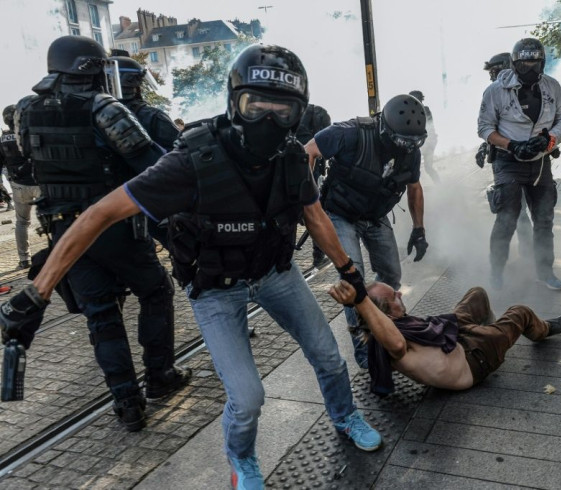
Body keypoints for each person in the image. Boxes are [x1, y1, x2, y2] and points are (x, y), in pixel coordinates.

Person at [1, 43, 382, 489]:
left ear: (298, 113)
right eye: (254, 105)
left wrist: (349, 271)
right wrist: (37, 293)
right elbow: (99, 213)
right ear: (233, 101)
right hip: (215, 288)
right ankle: (242, 461)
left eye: (283, 110)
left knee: (329, 358)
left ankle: (344, 415)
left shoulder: (293, 158)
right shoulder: (191, 162)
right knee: (247, 398)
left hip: (276, 274)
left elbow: (314, 215)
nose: (268, 120)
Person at [12, 36, 191, 432]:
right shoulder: (103, 106)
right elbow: (149, 163)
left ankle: (127, 402)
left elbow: (28, 158)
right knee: (156, 290)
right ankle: (159, 376)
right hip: (113, 225)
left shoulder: (25, 110)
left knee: (101, 314)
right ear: (89, 68)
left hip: (63, 232)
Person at [304, 94, 429, 369]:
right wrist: (306, 199)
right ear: (385, 130)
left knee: (392, 275)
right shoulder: (350, 133)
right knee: (354, 280)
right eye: (402, 143)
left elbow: (415, 188)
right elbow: (308, 151)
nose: (406, 150)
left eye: (413, 144)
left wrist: (419, 230)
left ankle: (389, 332)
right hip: (339, 214)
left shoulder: (411, 151)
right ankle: (367, 352)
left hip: (375, 215)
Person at [328, 279, 561, 394]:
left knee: (477, 293)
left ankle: (495, 334)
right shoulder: (390, 342)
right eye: (394, 296)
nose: (401, 293)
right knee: (520, 312)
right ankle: (542, 330)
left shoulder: (397, 324)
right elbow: (396, 344)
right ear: (384, 313)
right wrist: (360, 302)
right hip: (475, 360)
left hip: (455, 338)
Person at [477, 37, 561, 291]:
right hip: (508, 163)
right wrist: (511, 144)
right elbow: (484, 127)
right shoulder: (496, 90)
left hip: (540, 163)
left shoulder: (552, 87)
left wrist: (548, 141)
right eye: (524, 63)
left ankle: (545, 271)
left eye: (535, 62)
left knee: (544, 219)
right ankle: (497, 271)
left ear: (543, 62)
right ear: (515, 63)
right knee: (507, 218)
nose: (530, 68)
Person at [111, 54, 180, 249]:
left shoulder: (94, 116)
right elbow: (182, 154)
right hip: (152, 200)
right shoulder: (151, 116)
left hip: (114, 203)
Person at [477, 53, 533, 259]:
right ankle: (526, 255)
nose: (491, 76)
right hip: (504, 160)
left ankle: (527, 256)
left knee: (515, 211)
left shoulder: (520, 91)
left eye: (494, 70)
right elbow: (490, 126)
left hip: (518, 161)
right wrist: (485, 147)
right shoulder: (495, 91)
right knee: (514, 210)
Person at [1, 104, 40, 269]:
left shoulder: (2, 140)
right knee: (54, 217)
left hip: (17, 186)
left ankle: (24, 260)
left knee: (22, 223)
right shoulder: (30, 133)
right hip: (38, 182)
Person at [295, 103, 332, 268]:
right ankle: (319, 255)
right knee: (316, 214)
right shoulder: (309, 136)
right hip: (306, 182)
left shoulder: (294, 123)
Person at [409, 90, 440, 184]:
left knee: (428, 167)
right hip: (419, 142)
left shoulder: (425, 110)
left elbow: (428, 126)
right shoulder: (411, 111)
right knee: (413, 167)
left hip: (428, 141)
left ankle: (439, 185)